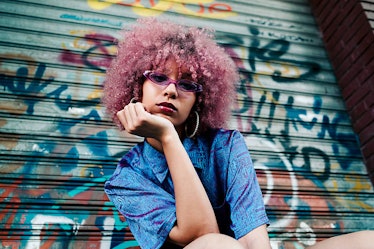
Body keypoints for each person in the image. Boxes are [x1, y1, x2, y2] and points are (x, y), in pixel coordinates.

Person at [103, 17, 271, 249]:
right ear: (136, 87)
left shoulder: (226, 146)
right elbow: (203, 235)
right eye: (159, 78)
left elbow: (255, 239)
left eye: (187, 85)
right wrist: (168, 136)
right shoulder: (126, 179)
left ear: (199, 102)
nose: (171, 90)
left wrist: (168, 136)